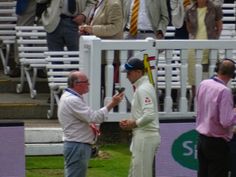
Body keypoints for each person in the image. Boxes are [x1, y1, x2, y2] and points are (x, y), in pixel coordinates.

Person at [58, 70, 124, 177]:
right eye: (86, 82)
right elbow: (94, 117)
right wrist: (112, 104)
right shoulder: (72, 100)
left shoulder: (70, 97)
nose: (88, 84)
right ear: (76, 84)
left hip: (76, 144)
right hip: (77, 145)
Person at [119, 58, 161, 177]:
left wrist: (133, 123)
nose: (127, 76)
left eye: (129, 73)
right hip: (143, 135)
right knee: (135, 173)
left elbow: (149, 115)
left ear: (138, 72)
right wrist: (131, 122)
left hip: (145, 136)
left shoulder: (143, 89)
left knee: (141, 174)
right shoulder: (143, 87)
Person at [196, 59, 236, 177]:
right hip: (217, 142)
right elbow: (226, 121)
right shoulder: (224, 91)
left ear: (217, 69)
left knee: (203, 173)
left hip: (202, 139)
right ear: (232, 75)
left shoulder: (204, 84)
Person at [185, 0, 223, 98]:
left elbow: (219, 26)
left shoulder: (215, 8)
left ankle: (210, 100)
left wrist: (214, 40)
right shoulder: (189, 9)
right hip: (194, 46)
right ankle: (196, 101)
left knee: (210, 75)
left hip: (210, 46)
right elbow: (189, 27)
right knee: (193, 77)